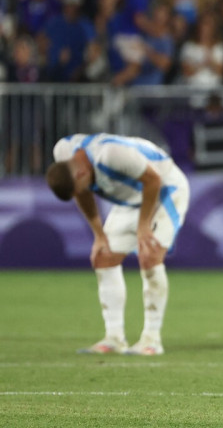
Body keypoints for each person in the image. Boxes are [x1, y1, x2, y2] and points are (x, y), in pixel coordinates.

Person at [45, 133, 190, 356]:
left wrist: (143, 227)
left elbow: (153, 180)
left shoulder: (110, 155)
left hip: (165, 190)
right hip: (132, 198)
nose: (79, 193)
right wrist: (98, 235)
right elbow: (81, 192)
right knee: (103, 256)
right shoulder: (64, 152)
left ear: (82, 172)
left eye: (78, 187)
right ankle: (114, 338)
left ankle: (151, 340)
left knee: (149, 255)